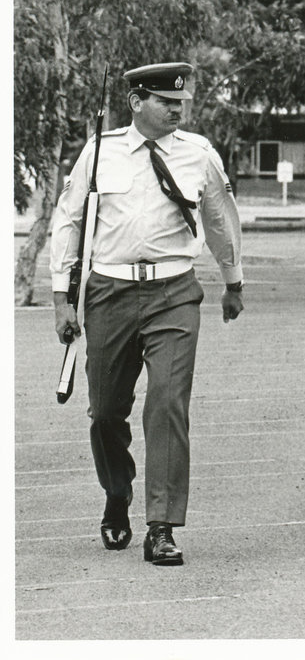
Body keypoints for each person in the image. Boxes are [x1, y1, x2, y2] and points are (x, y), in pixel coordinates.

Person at [50, 62, 245, 566]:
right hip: (109, 291)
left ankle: (161, 526)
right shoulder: (101, 150)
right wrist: (60, 296)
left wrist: (232, 280)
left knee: (167, 402)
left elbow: (220, 219)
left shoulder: (199, 154)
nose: (177, 110)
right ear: (137, 102)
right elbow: (69, 221)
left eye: (181, 102)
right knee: (105, 412)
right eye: (166, 102)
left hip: (174, 293)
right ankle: (118, 493)